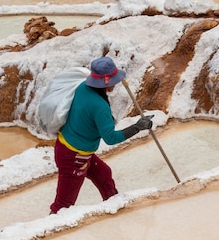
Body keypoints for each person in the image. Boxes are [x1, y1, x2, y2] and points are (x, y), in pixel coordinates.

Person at [50, 56, 153, 214]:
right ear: (106, 82)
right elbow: (110, 138)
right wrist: (137, 127)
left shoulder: (83, 87)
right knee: (64, 204)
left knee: (104, 174)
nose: (116, 83)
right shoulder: (99, 106)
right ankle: (50, 229)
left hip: (72, 148)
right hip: (75, 158)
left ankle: (115, 206)